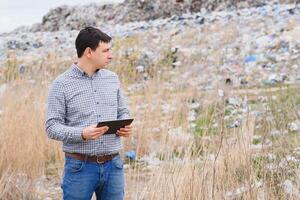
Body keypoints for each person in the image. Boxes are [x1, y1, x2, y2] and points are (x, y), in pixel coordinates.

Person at [45, 26, 132, 200]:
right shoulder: (61, 84)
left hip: (113, 166)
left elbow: (122, 111)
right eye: (105, 50)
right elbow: (51, 127)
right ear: (89, 52)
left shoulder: (112, 78)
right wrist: (82, 134)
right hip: (79, 168)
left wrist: (125, 126)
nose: (111, 55)